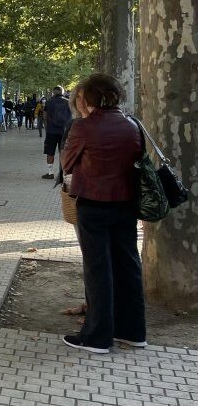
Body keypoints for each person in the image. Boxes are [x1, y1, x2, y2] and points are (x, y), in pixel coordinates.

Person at [60, 73, 145, 354]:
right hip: (126, 203)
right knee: (128, 265)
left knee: (98, 269)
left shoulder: (84, 127)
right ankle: (133, 331)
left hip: (94, 204)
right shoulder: (132, 124)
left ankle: (97, 337)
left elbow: (68, 162)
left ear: (88, 98)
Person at [43, 86, 73, 179]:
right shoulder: (68, 102)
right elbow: (72, 117)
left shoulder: (48, 102)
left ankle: (50, 173)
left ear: (53, 92)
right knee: (63, 152)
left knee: (50, 152)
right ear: (62, 92)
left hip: (51, 131)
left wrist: (46, 128)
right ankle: (62, 174)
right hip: (64, 132)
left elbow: (44, 116)